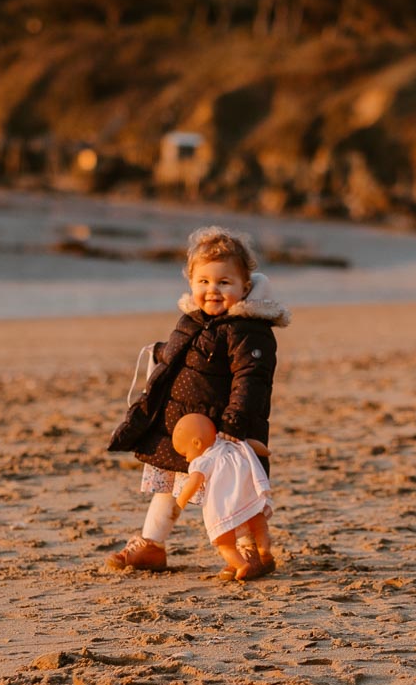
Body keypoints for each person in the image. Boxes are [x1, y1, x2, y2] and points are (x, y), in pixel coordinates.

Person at [107, 226, 290, 572]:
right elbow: (180, 357)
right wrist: (162, 354)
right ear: (191, 282)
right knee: (168, 487)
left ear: (245, 287)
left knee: (235, 493)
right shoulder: (191, 320)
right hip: (183, 428)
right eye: (203, 282)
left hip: (226, 431)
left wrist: (235, 421)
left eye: (224, 283)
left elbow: (252, 378)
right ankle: (152, 544)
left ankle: (251, 549)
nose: (213, 291)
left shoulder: (249, 330)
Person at [170, 413, 275, 580]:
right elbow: (252, 446)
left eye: (185, 453)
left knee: (224, 543)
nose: (187, 458)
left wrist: (182, 498)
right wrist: (266, 451)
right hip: (248, 498)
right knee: (259, 526)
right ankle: (264, 550)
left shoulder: (203, 460)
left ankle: (241, 565)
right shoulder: (230, 443)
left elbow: (195, 480)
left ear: (197, 443)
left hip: (225, 507)